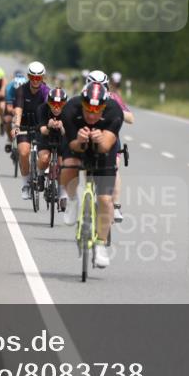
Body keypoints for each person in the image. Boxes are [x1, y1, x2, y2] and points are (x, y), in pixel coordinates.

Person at [60, 83, 123, 269]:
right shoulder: (70, 109)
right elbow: (72, 146)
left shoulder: (114, 111)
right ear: (82, 104)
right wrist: (80, 140)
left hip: (104, 150)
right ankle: (71, 200)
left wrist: (100, 138)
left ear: (104, 107)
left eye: (97, 111)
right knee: (70, 165)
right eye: (88, 110)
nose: (91, 115)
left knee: (104, 200)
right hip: (77, 146)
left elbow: (106, 146)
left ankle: (101, 244)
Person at [89, 70, 133, 222]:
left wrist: (117, 110)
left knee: (114, 166)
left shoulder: (113, 98)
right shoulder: (84, 97)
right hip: (89, 138)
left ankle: (116, 207)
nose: (98, 88)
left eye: (102, 85)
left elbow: (131, 118)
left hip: (110, 138)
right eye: (95, 85)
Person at [11, 62, 51, 199]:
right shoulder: (21, 90)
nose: (35, 80)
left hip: (41, 126)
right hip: (24, 125)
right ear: (28, 76)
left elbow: (50, 108)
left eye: (38, 78)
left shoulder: (46, 91)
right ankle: (26, 184)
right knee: (23, 152)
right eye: (32, 77)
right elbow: (18, 110)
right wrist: (16, 126)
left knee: (45, 159)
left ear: (42, 78)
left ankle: (40, 174)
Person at [37, 87, 70, 209]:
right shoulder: (42, 109)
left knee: (63, 165)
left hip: (62, 139)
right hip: (46, 137)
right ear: (48, 103)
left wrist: (61, 127)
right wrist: (49, 126)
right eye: (53, 104)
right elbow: (42, 130)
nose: (56, 108)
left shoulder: (68, 111)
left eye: (60, 104)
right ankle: (40, 175)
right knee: (45, 158)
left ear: (64, 104)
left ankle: (63, 195)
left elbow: (69, 133)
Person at [3, 70, 27, 153]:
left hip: (23, 108)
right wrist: (16, 114)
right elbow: (9, 108)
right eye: (17, 89)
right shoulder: (9, 88)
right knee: (7, 120)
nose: (19, 92)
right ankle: (10, 140)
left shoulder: (27, 89)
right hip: (12, 107)